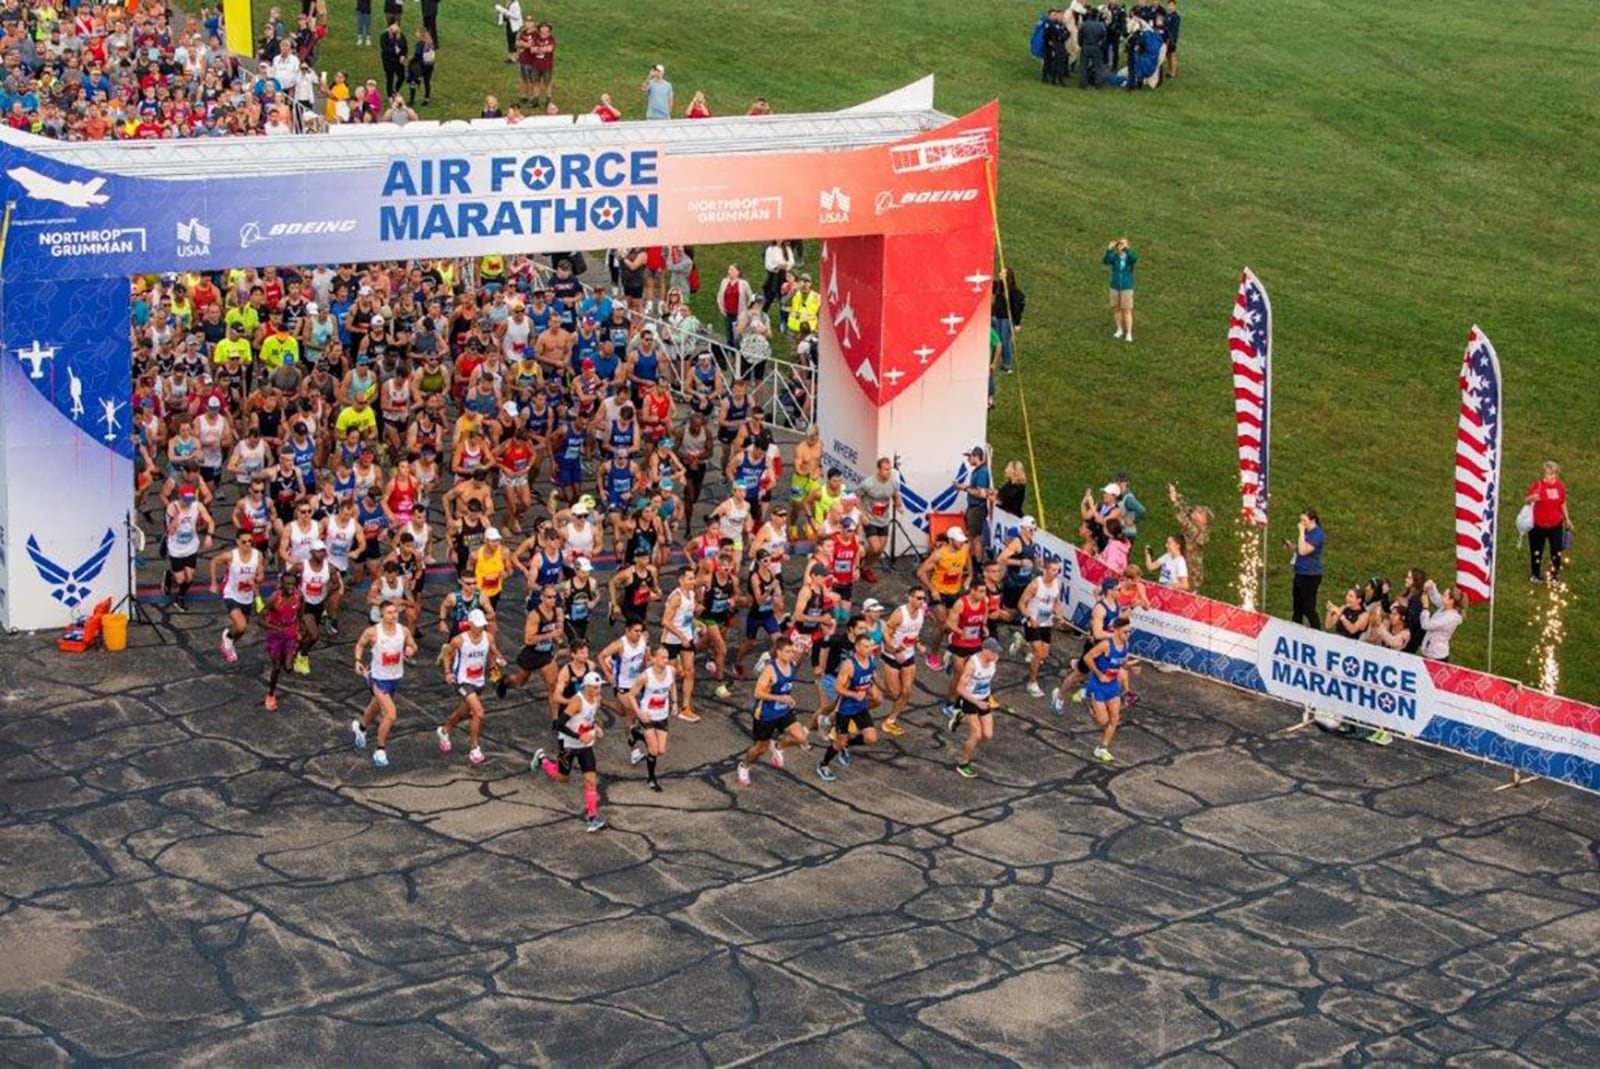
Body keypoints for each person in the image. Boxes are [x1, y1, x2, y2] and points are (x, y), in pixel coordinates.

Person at [532, 671, 608, 832]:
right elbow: (558, 725)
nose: (598, 691)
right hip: (568, 744)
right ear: (586, 687)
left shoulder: (597, 699)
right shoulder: (576, 702)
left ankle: (593, 817)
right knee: (562, 778)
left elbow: (590, 717)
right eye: (594, 688)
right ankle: (542, 759)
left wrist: (595, 727)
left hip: (585, 747)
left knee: (590, 781)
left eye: (599, 687)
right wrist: (579, 736)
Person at [351, 600, 418, 769]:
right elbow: (360, 644)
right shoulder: (373, 632)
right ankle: (380, 750)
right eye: (389, 612)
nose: (393, 615)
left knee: (375, 707)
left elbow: (412, 644)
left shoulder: (403, 631)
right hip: (378, 678)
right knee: (390, 714)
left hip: (395, 677)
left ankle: (361, 728)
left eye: (395, 612)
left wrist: (411, 650)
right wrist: (358, 660)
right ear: (381, 614)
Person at [436, 609, 506, 766]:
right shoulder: (459, 640)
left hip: (478, 681)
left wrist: (499, 660)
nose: (481, 628)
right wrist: (448, 673)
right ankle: (474, 748)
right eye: (478, 625)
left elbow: (494, 653)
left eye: (483, 625)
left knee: (462, 713)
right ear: (470, 624)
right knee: (478, 712)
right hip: (462, 680)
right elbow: (447, 654)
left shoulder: (488, 637)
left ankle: (444, 730)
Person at [737, 636, 809, 786]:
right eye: (788, 651)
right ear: (779, 652)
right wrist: (781, 698)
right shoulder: (770, 670)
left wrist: (804, 649)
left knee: (801, 737)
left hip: (784, 712)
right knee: (760, 749)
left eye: (792, 650)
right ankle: (744, 766)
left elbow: (799, 660)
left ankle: (778, 746)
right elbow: (758, 693)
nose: (792, 653)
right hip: (766, 714)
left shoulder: (792, 664)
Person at [817, 632, 880, 783]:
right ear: (857, 648)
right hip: (845, 709)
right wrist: (853, 694)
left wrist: (879, 690)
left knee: (871, 738)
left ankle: (845, 745)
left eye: (870, 646)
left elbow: (870, 679)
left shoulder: (870, 661)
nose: (869, 649)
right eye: (865, 646)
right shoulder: (849, 665)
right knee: (839, 742)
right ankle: (823, 765)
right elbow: (838, 687)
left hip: (861, 707)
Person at [1084, 617, 1134, 763]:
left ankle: (1102, 748)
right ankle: (1088, 700)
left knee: (1115, 718)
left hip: (1112, 685)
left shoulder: (1126, 645)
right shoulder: (1106, 645)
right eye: (1125, 632)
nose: (1128, 634)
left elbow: (1123, 663)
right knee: (1103, 720)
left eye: (1130, 631)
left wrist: (1131, 668)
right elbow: (1088, 657)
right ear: (1116, 631)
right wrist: (1099, 674)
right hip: (1098, 685)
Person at [878, 589, 928, 736]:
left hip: (908, 655)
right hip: (892, 656)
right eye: (918, 598)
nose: (921, 601)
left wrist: (918, 644)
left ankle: (890, 721)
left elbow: (914, 632)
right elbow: (886, 632)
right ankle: (874, 681)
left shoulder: (921, 612)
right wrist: (894, 648)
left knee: (906, 691)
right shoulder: (900, 614)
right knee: (894, 692)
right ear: (910, 598)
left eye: (923, 598)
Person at [626, 647, 676, 791]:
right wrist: (639, 713)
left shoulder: (671, 671)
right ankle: (651, 778)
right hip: (647, 716)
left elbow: (672, 686)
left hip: (662, 715)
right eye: (662, 657)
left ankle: (636, 734)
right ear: (653, 659)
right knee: (653, 750)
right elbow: (631, 695)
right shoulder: (645, 676)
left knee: (661, 750)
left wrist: (674, 703)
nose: (665, 661)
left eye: (667, 657)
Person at [953, 638, 1003, 778]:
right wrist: (976, 702)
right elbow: (960, 689)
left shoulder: (994, 659)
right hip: (971, 700)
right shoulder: (972, 666)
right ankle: (963, 763)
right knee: (976, 735)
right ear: (985, 650)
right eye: (993, 652)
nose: (995, 655)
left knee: (988, 735)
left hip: (984, 699)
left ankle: (960, 718)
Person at [212, 530, 264, 665]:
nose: (247, 544)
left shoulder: (257, 555)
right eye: (244, 541)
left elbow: (261, 574)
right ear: (237, 542)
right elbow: (213, 562)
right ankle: (228, 642)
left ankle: (228, 638)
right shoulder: (230, 556)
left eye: (250, 541)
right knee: (241, 626)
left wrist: (257, 579)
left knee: (242, 629)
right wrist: (213, 583)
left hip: (247, 596)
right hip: (231, 594)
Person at [260, 569, 302, 712]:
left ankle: (289, 656)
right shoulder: (274, 598)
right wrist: (276, 629)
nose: (291, 587)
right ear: (281, 584)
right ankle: (271, 695)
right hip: (275, 635)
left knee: (288, 668)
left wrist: (300, 630)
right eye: (287, 584)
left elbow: (301, 614)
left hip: (290, 632)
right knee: (277, 667)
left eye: (293, 584)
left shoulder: (299, 596)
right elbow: (260, 620)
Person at [1526, 461, 1573, 584]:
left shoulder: (1560, 486)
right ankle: (1535, 575)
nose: (1549, 477)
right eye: (1547, 474)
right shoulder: (1538, 486)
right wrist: (1532, 498)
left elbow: (1562, 503)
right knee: (1536, 551)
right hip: (1538, 525)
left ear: (1556, 474)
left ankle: (1554, 576)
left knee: (1556, 550)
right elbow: (1527, 500)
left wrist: (1567, 519)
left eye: (1552, 474)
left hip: (1555, 525)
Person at [1165, 483, 1212, 591]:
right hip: (1183, 568)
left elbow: (1183, 520)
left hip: (1190, 573)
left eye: (1200, 513)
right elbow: (1187, 510)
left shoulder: (1198, 531)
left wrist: (1174, 501)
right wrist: (1176, 495)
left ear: (1204, 521)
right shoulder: (1197, 524)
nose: (1195, 513)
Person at [1286, 509, 1325, 628]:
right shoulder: (1308, 533)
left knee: (1308, 608)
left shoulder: (1317, 534)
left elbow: (1303, 551)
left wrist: (1301, 532)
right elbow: (1301, 548)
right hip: (1300, 573)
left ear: (1312, 520)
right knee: (1297, 606)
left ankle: (1317, 629)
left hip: (1310, 575)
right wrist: (1292, 547)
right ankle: (1296, 628)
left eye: (1304, 520)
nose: (1301, 523)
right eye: (1301, 520)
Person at [1419, 581, 1464, 662]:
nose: (1442, 596)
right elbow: (1436, 598)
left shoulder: (1450, 618)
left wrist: (1425, 607)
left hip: (1436, 656)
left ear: (1451, 601)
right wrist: (1431, 585)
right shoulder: (1446, 607)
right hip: (1429, 651)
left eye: (1445, 595)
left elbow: (1426, 625)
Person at [991, 268, 1025, 373]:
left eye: (1003, 272)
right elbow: (990, 286)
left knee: (1005, 341)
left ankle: (1007, 365)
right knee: (998, 340)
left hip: (1006, 319)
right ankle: (998, 361)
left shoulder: (1012, 290)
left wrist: (1017, 323)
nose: (1000, 273)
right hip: (997, 317)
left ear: (1008, 276)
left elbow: (1016, 306)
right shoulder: (998, 286)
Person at [1104, 237, 1137, 342]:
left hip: (1126, 288)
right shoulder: (1115, 257)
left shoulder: (1129, 257)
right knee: (1116, 308)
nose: (1120, 246)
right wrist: (1109, 249)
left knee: (1127, 310)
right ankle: (1119, 329)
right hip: (1115, 286)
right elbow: (1106, 261)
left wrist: (1126, 249)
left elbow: (1134, 258)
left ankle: (1129, 333)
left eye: (1123, 244)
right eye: (1119, 245)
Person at [1078, 8, 1107, 88]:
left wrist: (1081, 44)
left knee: (1083, 66)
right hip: (1096, 47)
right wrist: (1101, 46)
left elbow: (1080, 37)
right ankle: (1098, 83)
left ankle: (1083, 83)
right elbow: (1104, 38)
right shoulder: (1101, 25)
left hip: (1086, 46)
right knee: (1098, 66)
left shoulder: (1084, 25)